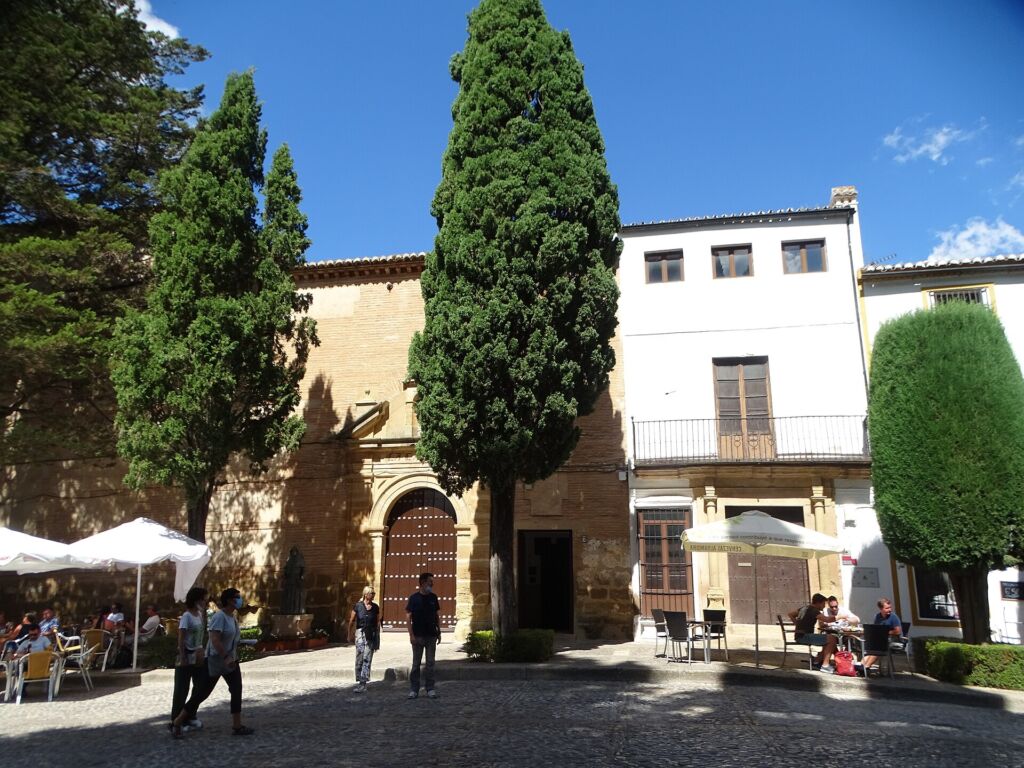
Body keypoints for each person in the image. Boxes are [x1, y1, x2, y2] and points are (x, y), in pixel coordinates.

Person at [171, 587, 254, 737]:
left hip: (231, 660)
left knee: (236, 689)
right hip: (217, 660)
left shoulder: (232, 616)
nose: (240, 599)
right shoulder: (219, 617)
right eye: (237, 597)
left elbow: (230, 638)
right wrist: (225, 657)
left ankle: (237, 725)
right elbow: (214, 640)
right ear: (229, 600)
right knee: (202, 693)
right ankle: (177, 722)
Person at [170, 587, 208, 734]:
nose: (205, 602)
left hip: (198, 655)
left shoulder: (199, 614)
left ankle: (190, 714)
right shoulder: (186, 616)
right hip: (187, 655)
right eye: (203, 599)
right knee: (181, 689)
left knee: (199, 687)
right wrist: (183, 655)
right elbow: (181, 636)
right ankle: (176, 718)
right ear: (196, 600)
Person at [405, 572, 441, 699]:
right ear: (422, 583)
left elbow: (437, 616)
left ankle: (430, 688)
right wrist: (411, 635)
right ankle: (414, 689)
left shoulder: (433, 597)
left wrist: (439, 631)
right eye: (430, 581)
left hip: (431, 635)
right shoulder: (414, 598)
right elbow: (408, 618)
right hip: (418, 635)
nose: (432, 583)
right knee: (416, 663)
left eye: (432, 581)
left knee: (430, 663)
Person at [788, 593, 839, 674]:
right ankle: (825, 666)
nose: (824, 606)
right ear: (818, 603)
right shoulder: (813, 610)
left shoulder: (805, 608)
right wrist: (840, 617)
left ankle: (817, 661)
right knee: (832, 638)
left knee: (828, 639)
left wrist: (797, 624)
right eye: (823, 604)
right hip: (804, 636)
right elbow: (827, 619)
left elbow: (790, 614)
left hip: (800, 635)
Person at [348, 586, 381, 692]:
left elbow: (377, 623)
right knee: (360, 657)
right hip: (360, 634)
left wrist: (377, 637)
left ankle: (363, 683)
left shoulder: (375, 607)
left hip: (370, 634)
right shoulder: (358, 606)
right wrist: (349, 634)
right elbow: (351, 621)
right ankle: (359, 679)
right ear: (366, 594)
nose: (373, 595)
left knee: (367, 657)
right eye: (372, 593)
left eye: (374, 593)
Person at [861, 597, 904, 673]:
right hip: (880, 641)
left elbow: (898, 631)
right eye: (887, 608)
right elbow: (876, 629)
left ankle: (866, 667)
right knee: (870, 649)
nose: (889, 610)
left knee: (878, 648)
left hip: (893, 640)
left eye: (890, 607)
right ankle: (862, 666)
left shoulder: (893, 617)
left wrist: (885, 632)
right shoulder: (878, 617)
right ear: (881, 609)